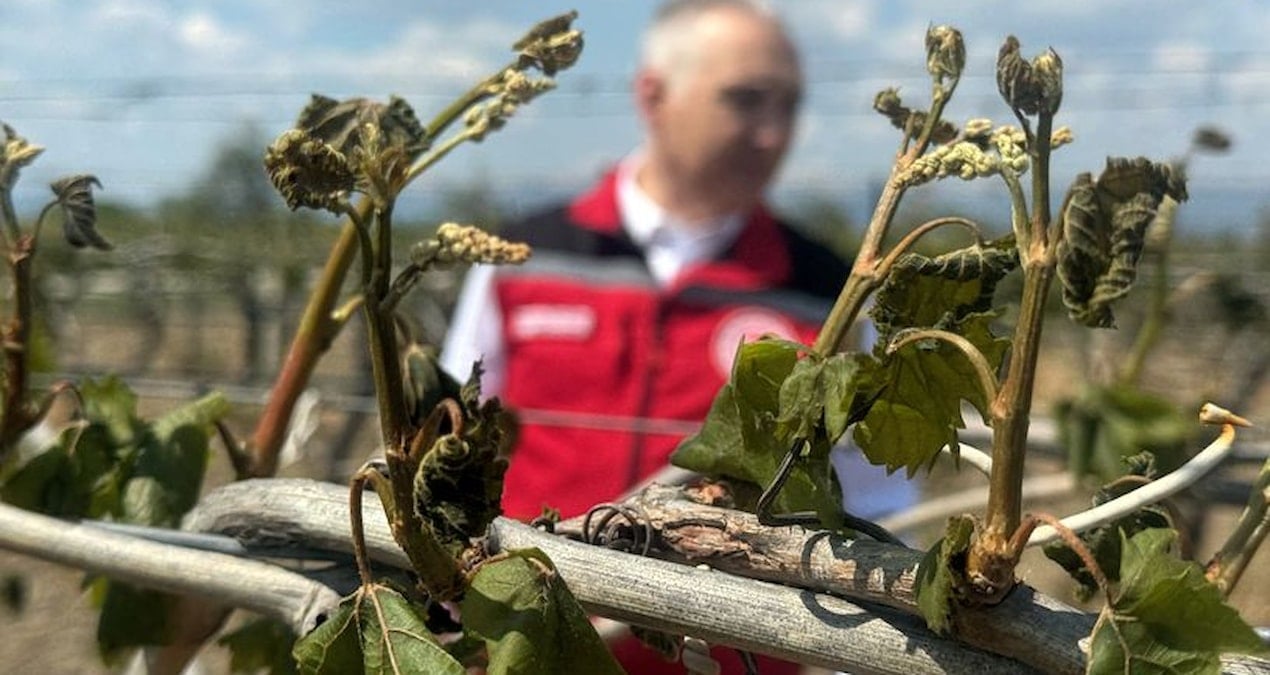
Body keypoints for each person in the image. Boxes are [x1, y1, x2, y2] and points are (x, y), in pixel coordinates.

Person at [442, 1, 915, 672]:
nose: (774, 134)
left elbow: (877, 505)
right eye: (746, 100)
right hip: (526, 651)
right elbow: (451, 451)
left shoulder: (827, 293)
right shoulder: (523, 257)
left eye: (789, 106)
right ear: (653, 95)